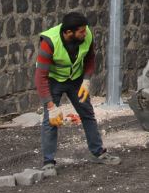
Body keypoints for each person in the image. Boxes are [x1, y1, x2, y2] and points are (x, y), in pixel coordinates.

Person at [35, 12, 120, 169]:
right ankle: (48, 162)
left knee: (87, 114)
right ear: (68, 33)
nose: (85, 33)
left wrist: (86, 80)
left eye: (85, 29)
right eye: (81, 31)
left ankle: (98, 152)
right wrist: (50, 105)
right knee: (51, 120)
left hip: (76, 80)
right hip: (54, 81)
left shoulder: (86, 35)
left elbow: (90, 59)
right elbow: (40, 77)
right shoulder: (49, 42)